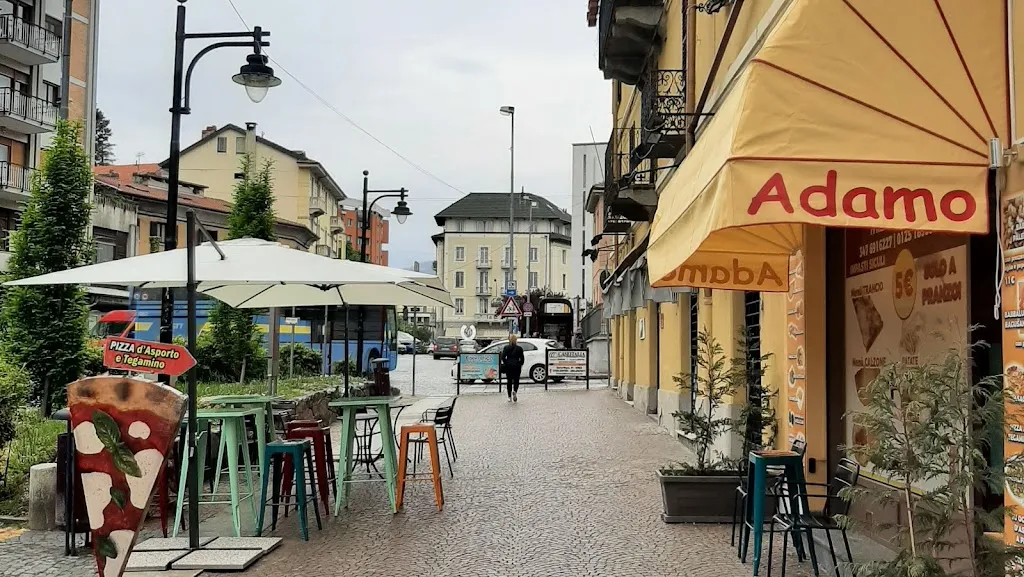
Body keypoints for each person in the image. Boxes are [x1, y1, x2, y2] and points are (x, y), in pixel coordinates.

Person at [500, 333, 525, 402]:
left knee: (509, 381)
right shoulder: (519, 348)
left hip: (509, 366)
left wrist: (506, 362)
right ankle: (515, 391)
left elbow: (502, 357)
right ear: (516, 340)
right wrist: (520, 364)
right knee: (516, 380)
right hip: (517, 366)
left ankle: (509, 396)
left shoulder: (506, 347)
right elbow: (522, 359)